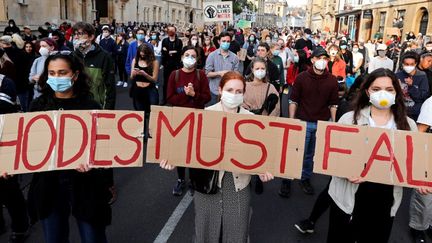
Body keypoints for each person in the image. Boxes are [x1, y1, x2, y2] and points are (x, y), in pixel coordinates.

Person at [160, 71, 274, 243]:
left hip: (238, 184)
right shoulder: (203, 115)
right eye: (229, 90)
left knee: (236, 233)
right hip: (208, 183)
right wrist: (174, 160)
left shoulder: (252, 121)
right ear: (220, 90)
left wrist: (263, 170)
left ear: (243, 94)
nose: (234, 95)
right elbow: (189, 147)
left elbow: (258, 154)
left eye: (239, 92)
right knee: (206, 232)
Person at [326, 68, 420, 243]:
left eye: (389, 89)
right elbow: (333, 158)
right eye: (376, 89)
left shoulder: (408, 126)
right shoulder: (349, 120)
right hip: (349, 195)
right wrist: (346, 171)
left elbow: (412, 163)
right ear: (367, 91)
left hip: (384, 198)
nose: (383, 93)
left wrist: (421, 180)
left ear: (396, 93)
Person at [27, 51, 111, 243]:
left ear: (74, 74)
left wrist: (94, 163)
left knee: (93, 237)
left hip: (85, 183)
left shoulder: (90, 105)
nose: (57, 77)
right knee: (55, 238)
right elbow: (28, 146)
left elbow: (102, 145)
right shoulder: (38, 106)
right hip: (49, 184)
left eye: (62, 72)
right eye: (52, 73)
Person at [287, 47, 339, 195]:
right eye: (319, 58)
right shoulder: (302, 78)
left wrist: (333, 124)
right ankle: (287, 179)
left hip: (320, 124)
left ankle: (305, 178)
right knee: (296, 152)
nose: (322, 61)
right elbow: (293, 100)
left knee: (310, 155)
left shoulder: (332, 80)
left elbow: (333, 104)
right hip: (303, 122)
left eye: (325, 59)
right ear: (312, 60)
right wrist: (292, 121)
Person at [166, 46, 211, 196]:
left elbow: (207, 98)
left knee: (193, 150)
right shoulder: (175, 75)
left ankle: (193, 180)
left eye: (193, 56)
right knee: (180, 150)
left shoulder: (201, 75)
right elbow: (169, 97)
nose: (190, 58)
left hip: (197, 119)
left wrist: (194, 94)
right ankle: (180, 179)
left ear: (197, 60)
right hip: (180, 119)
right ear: (181, 57)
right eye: (187, 55)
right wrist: (186, 96)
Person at [0, 74, 30, 243]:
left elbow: (8, 110)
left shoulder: (5, 82)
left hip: (5, 144)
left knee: (10, 190)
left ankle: (21, 227)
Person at [72, 22, 116, 110]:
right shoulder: (73, 56)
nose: (76, 37)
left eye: (80, 34)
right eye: (75, 34)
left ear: (91, 37)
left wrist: (107, 110)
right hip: (76, 106)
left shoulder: (104, 57)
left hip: (97, 106)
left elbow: (110, 87)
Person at [408, 95, 432, 243]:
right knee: (424, 196)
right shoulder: (431, 103)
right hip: (428, 156)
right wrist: (418, 166)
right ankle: (418, 228)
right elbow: (420, 133)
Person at [205, 31, 240, 106]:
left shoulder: (234, 57)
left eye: (228, 41)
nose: (226, 43)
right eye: (223, 41)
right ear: (219, 41)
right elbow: (207, 73)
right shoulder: (212, 56)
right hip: (214, 92)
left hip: (228, 93)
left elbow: (237, 74)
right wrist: (219, 73)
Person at [396, 51, 429, 121]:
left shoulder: (422, 76)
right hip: (399, 111)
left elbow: (423, 97)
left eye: (411, 64)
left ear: (416, 64)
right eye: (406, 64)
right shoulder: (398, 75)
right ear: (402, 64)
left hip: (414, 113)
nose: (409, 66)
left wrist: (411, 86)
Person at [129, 43, 159, 112]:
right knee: (140, 111)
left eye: (144, 55)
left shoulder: (154, 62)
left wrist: (145, 74)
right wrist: (133, 74)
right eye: (141, 54)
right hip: (137, 89)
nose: (142, 56)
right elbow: (131, 77)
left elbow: (154, 79)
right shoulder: (135, 60)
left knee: (153, 109)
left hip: (150, 89)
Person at [161, 25, 183, 103]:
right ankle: (165, 98)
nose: (171, 31)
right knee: (166, 82)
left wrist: (169, 52)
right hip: (167, 65)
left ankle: (176, 98)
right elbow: (163, 52)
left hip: (176, 65)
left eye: (172, 30)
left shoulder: (179, 41)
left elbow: (179, 52)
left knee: (176, 82)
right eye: (169, 30)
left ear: (175, 31)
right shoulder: (165, 41)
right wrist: (172, 52)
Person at [20, 41, 37, 111]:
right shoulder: (22, 57)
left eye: (30, 47)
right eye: (27, 47)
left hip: (34, 80)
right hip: (25, 81)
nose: (28, 48)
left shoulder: (35, 57)